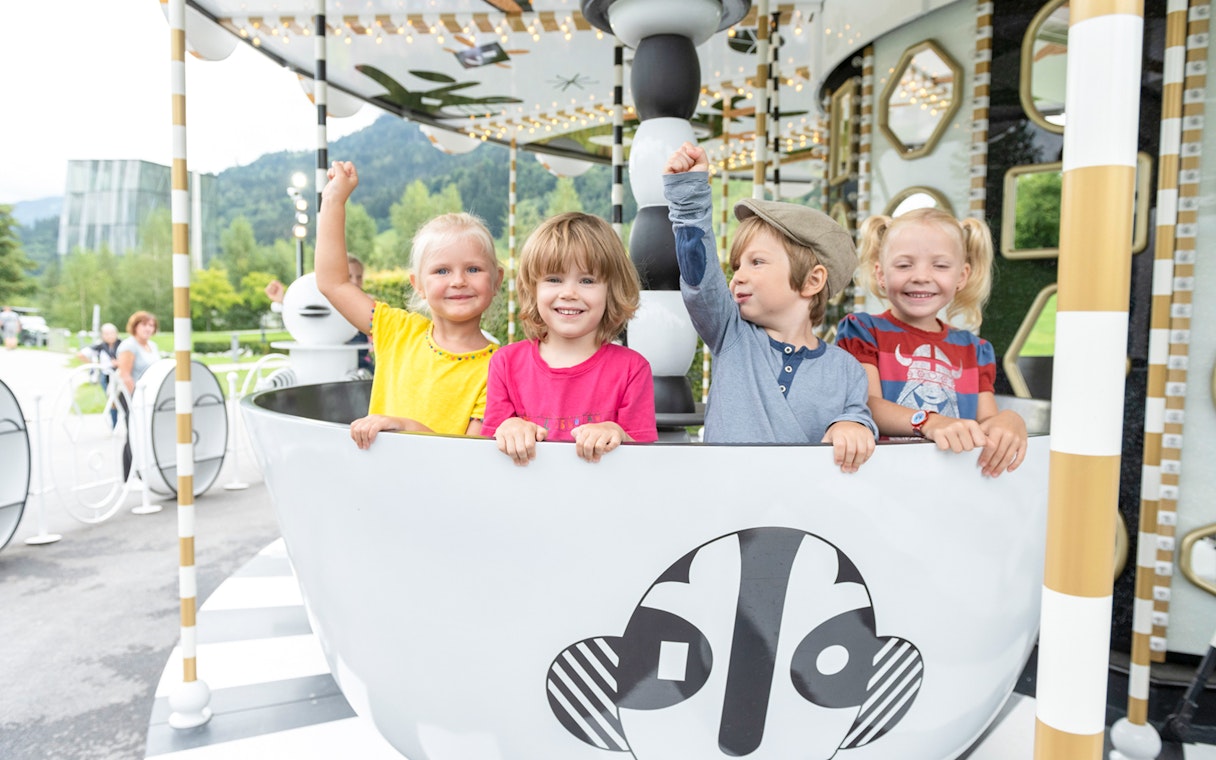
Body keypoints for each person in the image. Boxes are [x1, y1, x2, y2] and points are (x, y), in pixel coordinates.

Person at [662, 143, 877, 473]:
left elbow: (857, 416)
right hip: (726, 509)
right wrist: (689, 198)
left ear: (812, 281)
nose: (737, 279)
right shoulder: (731, 334)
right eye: (736, 267)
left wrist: (851, 427)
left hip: (798, 516)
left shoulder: (846, 370)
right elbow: (700, 277)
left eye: (756, 262)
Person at [316, 160, 503, 449]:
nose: (458, 281)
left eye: (473, 269)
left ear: (496, 280)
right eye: (442, 271)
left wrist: (405, 427)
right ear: (418, 284)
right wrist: (333, 200)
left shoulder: (500, 367)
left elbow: (469, 455)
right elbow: (333, 283)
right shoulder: (396, 330)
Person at [835, 207, 1027, 478]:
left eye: (940, 265)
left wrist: (1010, 420)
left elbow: (986, 420)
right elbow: (865, 405)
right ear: (880, 273)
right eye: (904, 265)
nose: (921, 276)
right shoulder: (863, 331)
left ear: (962, 276)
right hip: (882, 478)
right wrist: (928, 421)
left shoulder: (976, 350)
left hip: (953, 480)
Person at [481, 212, 658, 465]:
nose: (569, 293)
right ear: (533, 288)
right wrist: (508, 428)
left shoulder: (632, 369)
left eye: (587, 280)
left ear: (612, 291)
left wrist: (618, 435)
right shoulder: (505, 364)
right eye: (554, 279)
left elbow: (645, 465)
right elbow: (487, 460)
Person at [266, 255, 374, 375]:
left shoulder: (366, 303)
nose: (355, 281)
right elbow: (303, 307)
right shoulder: (327, 301)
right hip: (323, 364)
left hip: (357, 364)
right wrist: (282, 301)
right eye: (349, 276)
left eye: (359, 277)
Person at [115, 311, 162, 479]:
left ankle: (144, 472)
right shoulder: (129, 346)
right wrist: (135, 397)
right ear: (135, 326)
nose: (148, 328)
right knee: (132, 435)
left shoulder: (152, 346)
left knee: (145, 435)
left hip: (150, 396)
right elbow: (125, 375)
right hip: (132, 396)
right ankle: (128, 477)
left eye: (151, 325)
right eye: (144, 324)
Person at [79, 323, 122, 427]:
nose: (109, 336)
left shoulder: (122, 345)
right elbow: (81, 354)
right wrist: (96, 365)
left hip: (119, 376)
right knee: (111, 400)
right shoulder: (100, 347)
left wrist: (118, 363)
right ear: (102, 335)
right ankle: (114, 424)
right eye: (106, 334)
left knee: (121, 399)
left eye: (112, 333)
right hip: (106, 376)